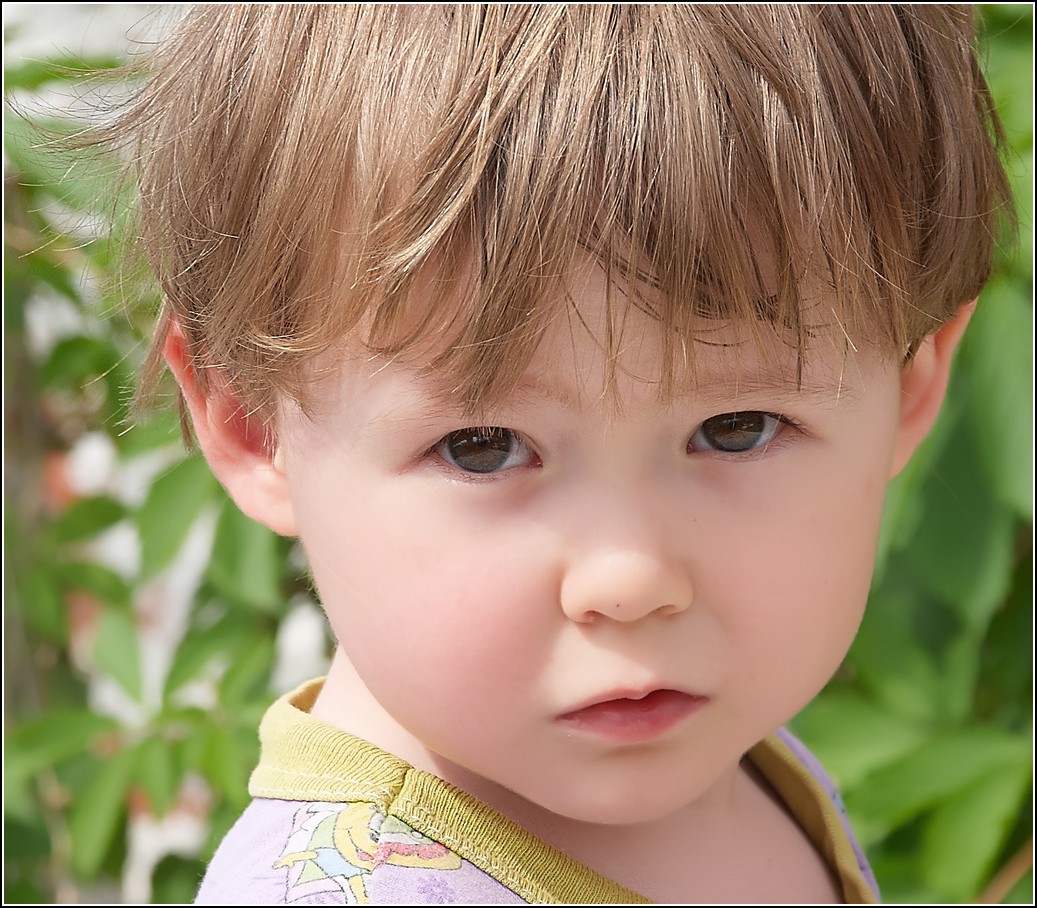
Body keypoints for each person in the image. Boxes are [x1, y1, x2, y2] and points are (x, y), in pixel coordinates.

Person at [99, 4, 1012, 903]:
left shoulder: (738, 751)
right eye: (484, 447)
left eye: (737, 428)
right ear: (255, 426)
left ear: (910, 380)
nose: (630, 579)